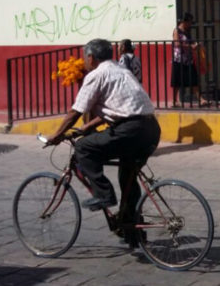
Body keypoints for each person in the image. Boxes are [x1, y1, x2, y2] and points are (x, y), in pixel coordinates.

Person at [47, 38, 161, 242]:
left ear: (91, 57)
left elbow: (76, 111)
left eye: (85, 57)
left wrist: (57, 135)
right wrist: (86, 128)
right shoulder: (122, 71)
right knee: (127, 176)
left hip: (130, 130)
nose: (84, 61)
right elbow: (116, 109)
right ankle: (132, 230)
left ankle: (104, 195)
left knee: (83, 148)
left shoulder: (97, 75)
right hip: (151, 129)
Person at [171, 13, 208, 107]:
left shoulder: (187, 31)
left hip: (188, 59)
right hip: (179, 59)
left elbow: (191, 42)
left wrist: (196, 45)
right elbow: (177, 44)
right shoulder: (177, 31)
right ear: (184, 21)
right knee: (177, 81)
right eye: (190, 22)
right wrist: (190, 46)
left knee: (194, 79)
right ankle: (175, 100)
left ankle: (200, 99)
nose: (191, 24)